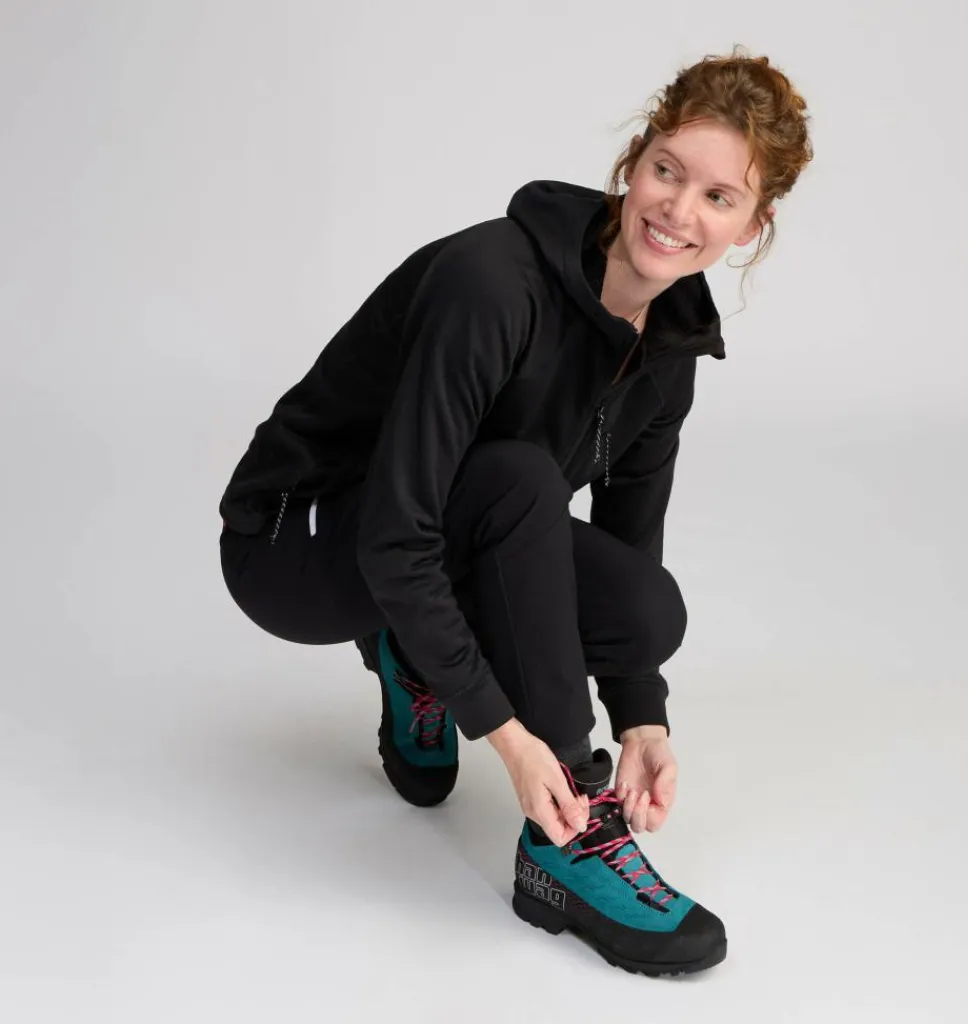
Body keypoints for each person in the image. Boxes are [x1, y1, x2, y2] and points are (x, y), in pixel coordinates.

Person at [218, 47, 813, 976]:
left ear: (753, 223)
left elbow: (627, 543)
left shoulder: (670, 347)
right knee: (518, 480)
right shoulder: (493, 284)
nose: (678, 211)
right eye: (666, 171)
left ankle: (416, 655)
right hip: (299, 540)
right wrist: (518, 740)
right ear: (634, 161)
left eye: (718, 196)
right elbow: (401, 534)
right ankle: (567, 841)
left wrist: (642, 719)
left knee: (645, 612)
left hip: (438, 525)